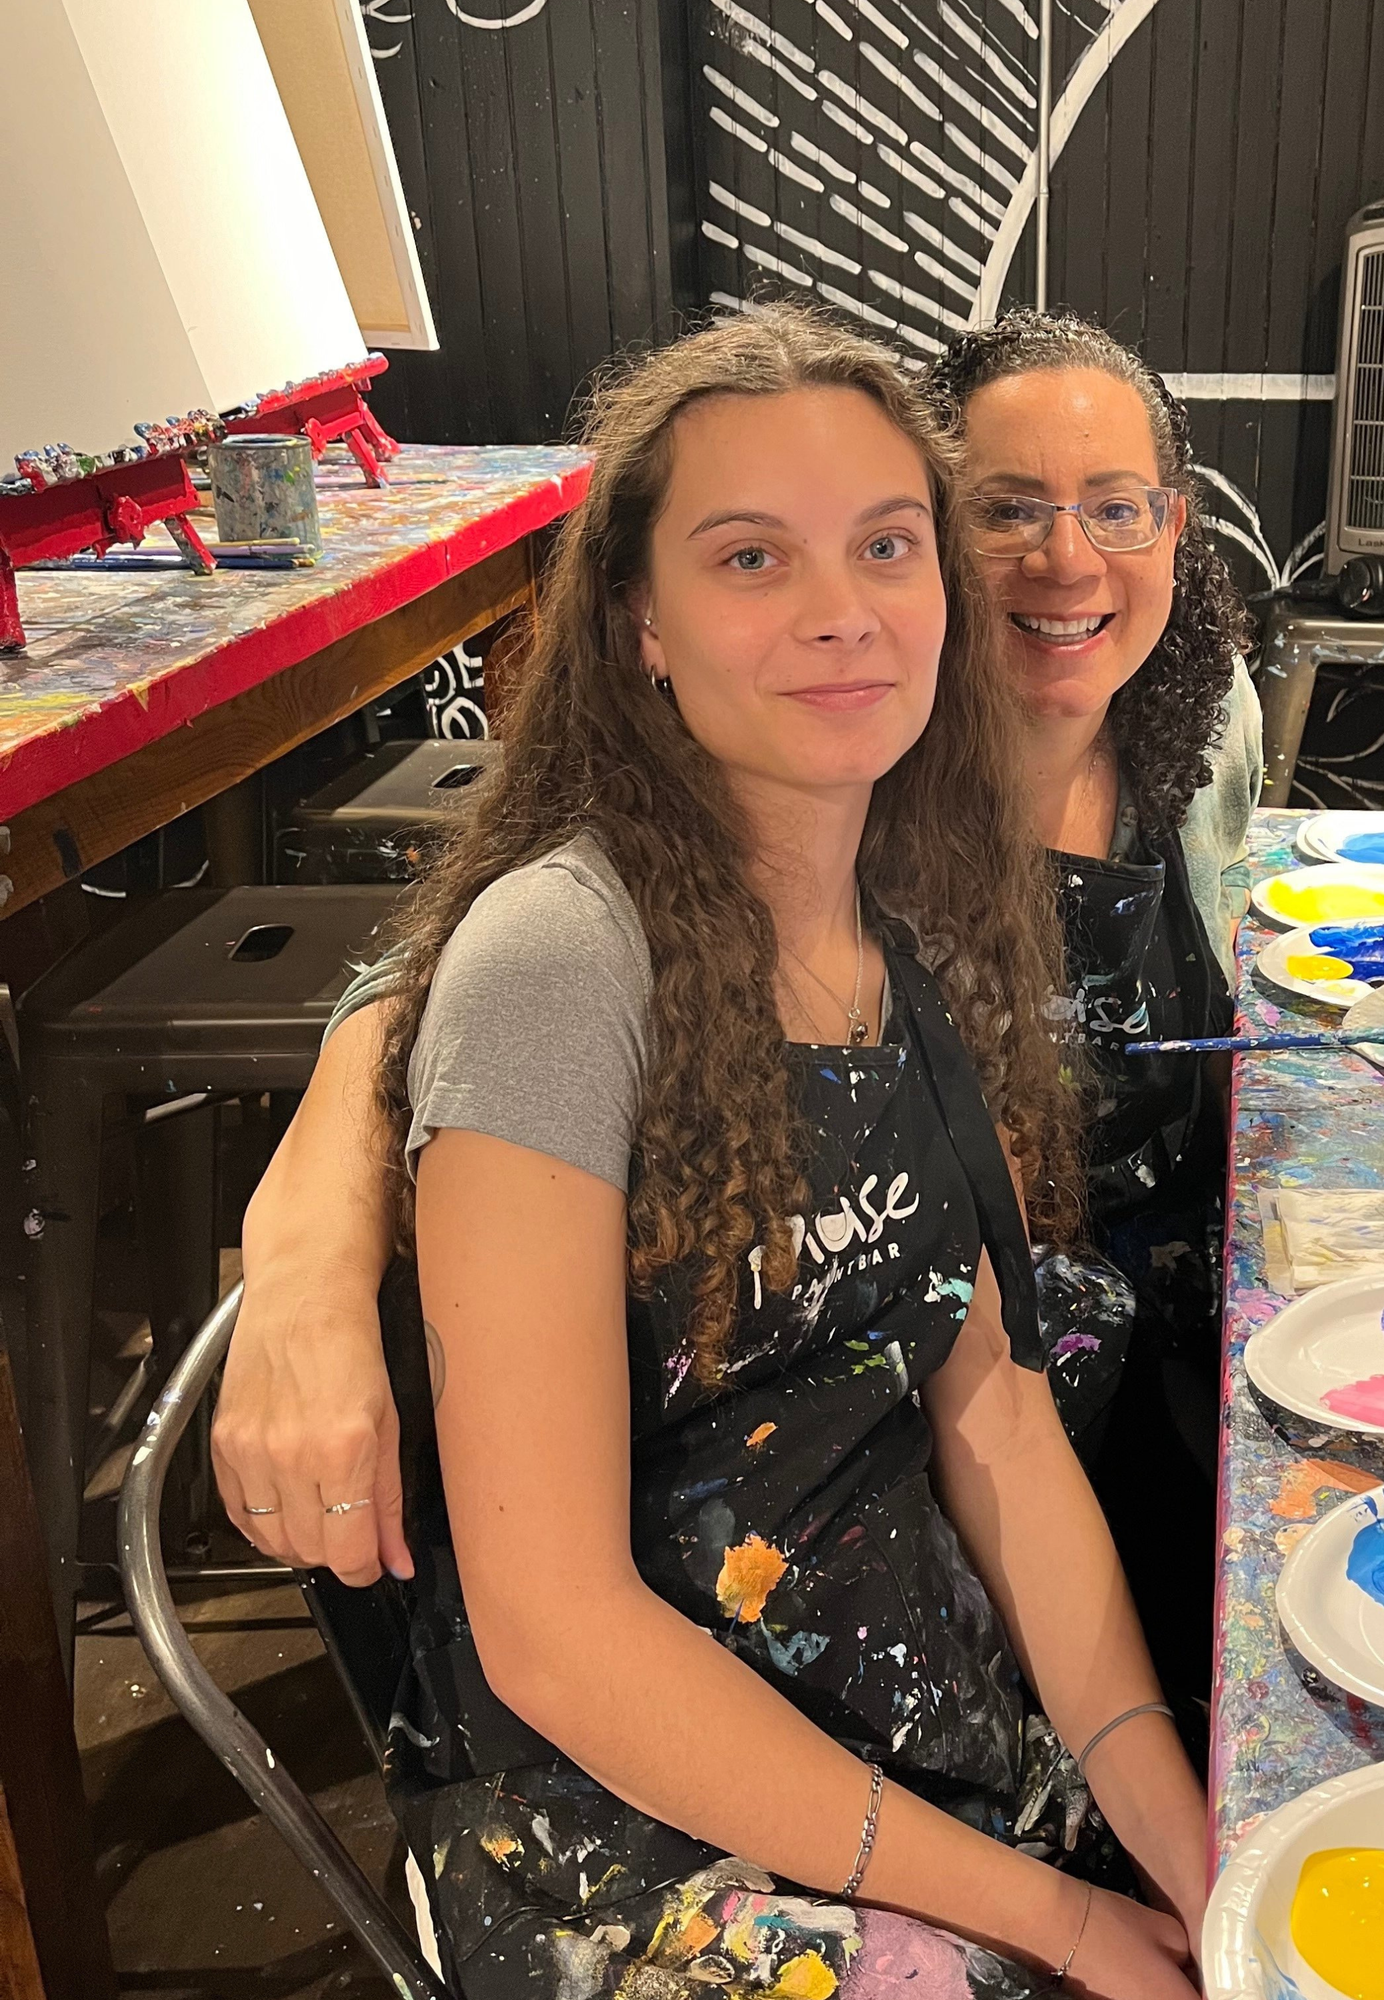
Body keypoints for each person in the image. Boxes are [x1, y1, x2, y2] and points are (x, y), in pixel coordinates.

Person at [218, 304, 1207, 1999]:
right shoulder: (564, 958)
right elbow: (558, 1637)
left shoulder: (912, 908)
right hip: (636, 1837)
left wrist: (1196, 1848)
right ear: (641, 628)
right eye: (752, 558)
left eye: (885, 544)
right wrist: (1052, 1918)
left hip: (913, 1733)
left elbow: (1000, 1422)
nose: (841, 612)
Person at [934, 315, 1260, 1698]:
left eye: (1115, 508)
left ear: (1172, 531)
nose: (1068, 561)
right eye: (1006, 510)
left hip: (1172, 1340)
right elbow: (443, 972)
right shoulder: (846, 762)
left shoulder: (1200, 723)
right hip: (959, 1408)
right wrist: (305, 1257)